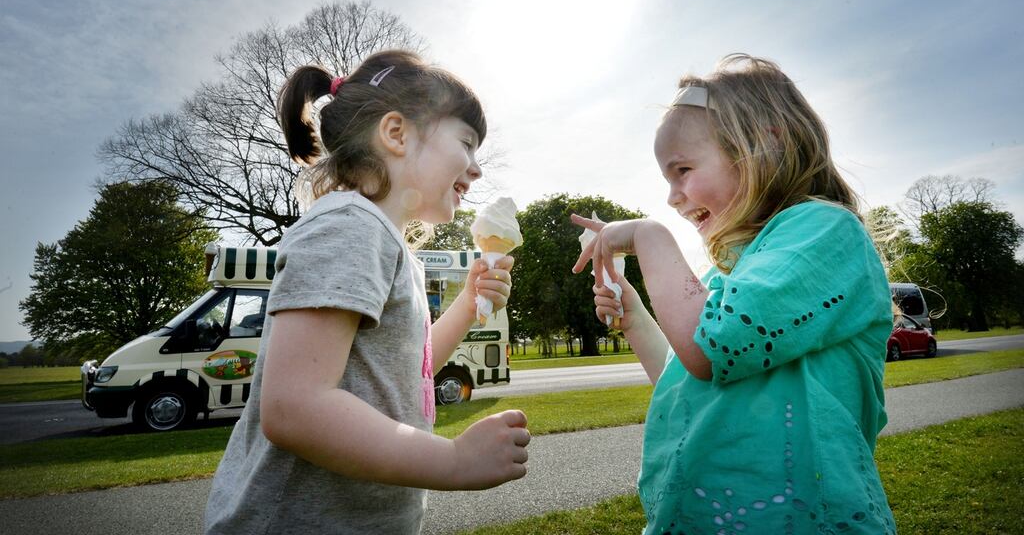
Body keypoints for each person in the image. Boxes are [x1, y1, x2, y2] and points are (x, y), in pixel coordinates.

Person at [205, 50, 530, 535]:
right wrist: (455, 460)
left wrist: (465, 304)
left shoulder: (388, 245)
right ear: (396, 133)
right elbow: (294, 408)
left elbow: (404, 372)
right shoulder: (350, 227)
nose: (477, 168)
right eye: (466, 142)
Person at [572, 54, 897, 534]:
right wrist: (635, 316)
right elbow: (692, 374)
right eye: (667, 178)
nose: (672, 196)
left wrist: (651, 237)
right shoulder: (738, 277)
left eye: (682, 169)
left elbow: (714, 346)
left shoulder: (826, 230)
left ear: (765, 142)